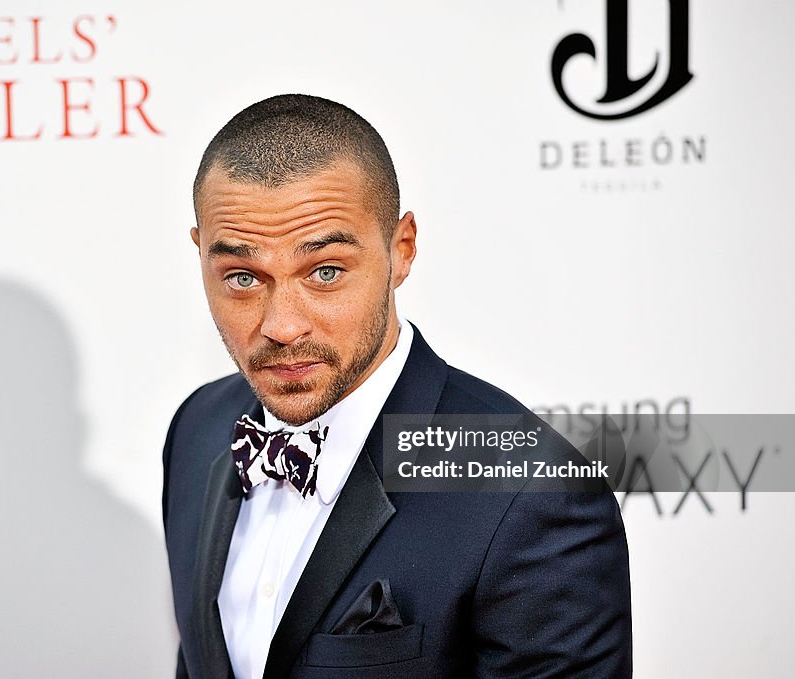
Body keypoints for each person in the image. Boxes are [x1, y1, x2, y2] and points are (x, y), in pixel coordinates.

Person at [161, 94, 632, 679]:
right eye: (241, 276)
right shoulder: (198, 428)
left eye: (326, 272)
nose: (281, 325)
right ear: (199, 255)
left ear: (401, 250)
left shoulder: (533, 497)